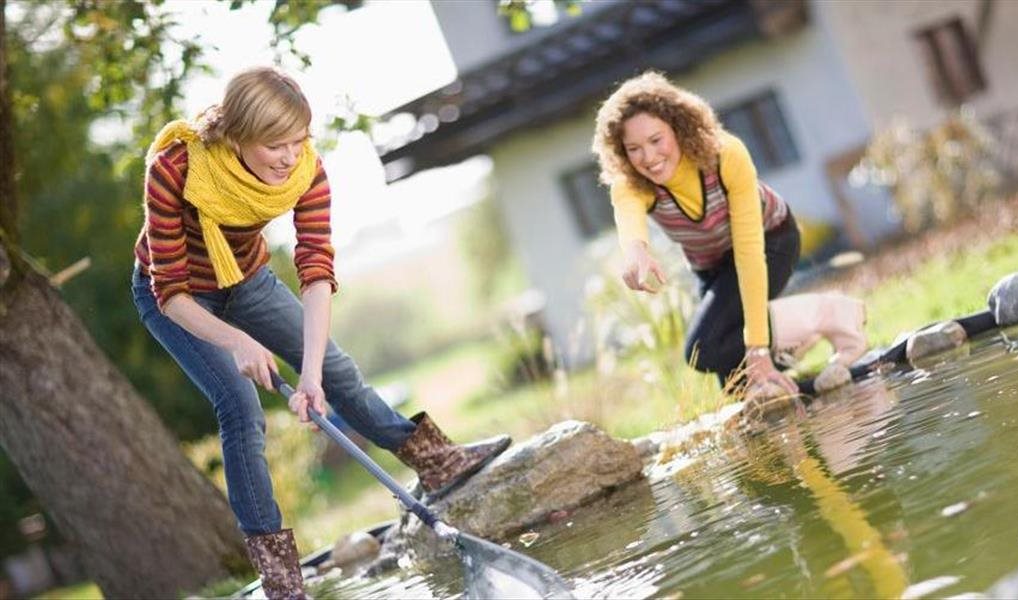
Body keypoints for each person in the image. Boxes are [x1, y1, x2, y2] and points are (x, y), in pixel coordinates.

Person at [131, 66, 509, 598]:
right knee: (241, 411)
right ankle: (280, 574)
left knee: (335, 370)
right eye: (274, 145)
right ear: (238, 136)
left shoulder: (306, 169)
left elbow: (315, 271)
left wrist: (310, 377)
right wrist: (236, 340)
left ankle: (435, 461)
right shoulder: (177, 169)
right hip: (178, 296)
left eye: (297, 140)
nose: (288, 156)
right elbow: (168, 288)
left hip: (247, 278)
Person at [592, 71, 805, 399]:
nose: (648, 158)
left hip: (770, 241)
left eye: (656, 140)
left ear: (677, 127)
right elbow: (627, 210)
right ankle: (796, 388)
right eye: (633, 148)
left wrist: (760, 345)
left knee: (703, 351)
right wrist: (636, 251)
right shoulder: (634, 181)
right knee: (738, 386)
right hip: (711, 265)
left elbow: (748, 250)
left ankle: (800, 325)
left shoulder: (725, 155)